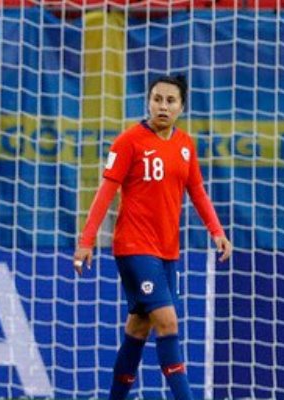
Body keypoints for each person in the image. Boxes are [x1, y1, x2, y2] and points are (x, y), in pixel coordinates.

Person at [73, 75, 232, 400]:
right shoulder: (128, 141)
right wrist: (86, 240)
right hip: (134, 247)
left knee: (138, 329)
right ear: (148, 102)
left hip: (167, 251)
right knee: (168, 323)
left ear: (181, 107)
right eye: (157, 99)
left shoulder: (185, 145)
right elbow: (105, 192)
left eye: (170, 101)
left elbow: (197, 191)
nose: (163, 106)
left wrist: (217, 231)